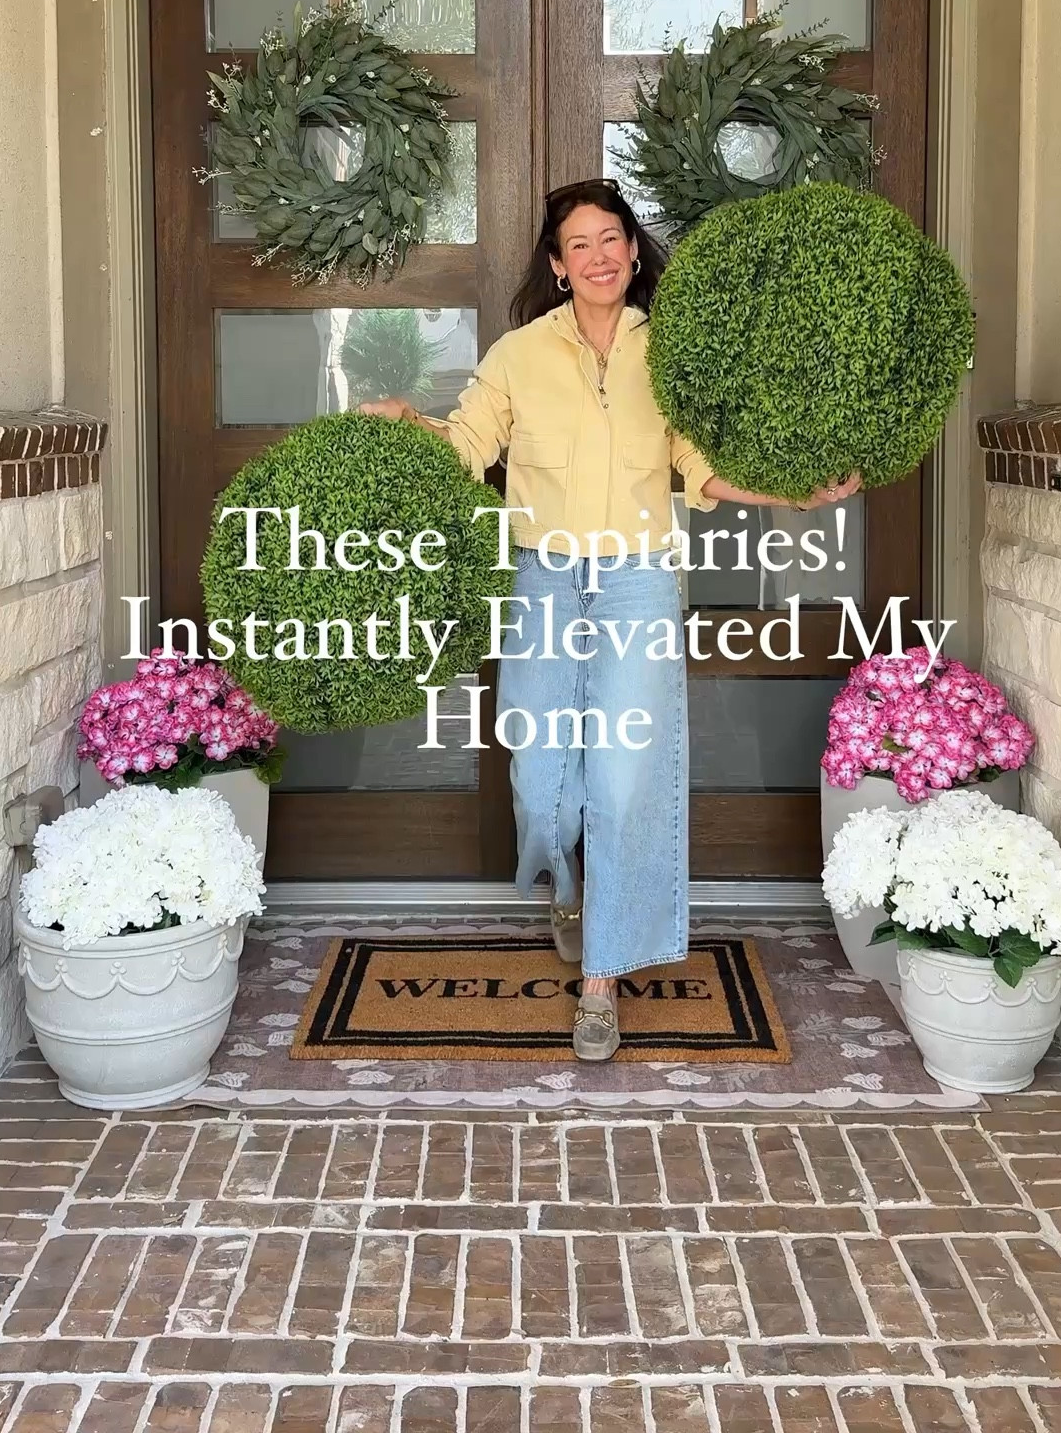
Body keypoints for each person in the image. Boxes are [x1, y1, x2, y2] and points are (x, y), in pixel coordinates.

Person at [361, 178, 860, 1061]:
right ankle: (566, 883)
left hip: (637, 581)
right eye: (578, 245)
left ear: (632, 251)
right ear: (558, 267)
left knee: (628, 781)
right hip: (543, 579)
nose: (597, 256)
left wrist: (795, 493)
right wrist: (408, 426)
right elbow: (467, 448)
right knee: (540, 779)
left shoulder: (669, 353)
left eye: (610, 239)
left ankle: (601, 979)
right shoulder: (518, 354)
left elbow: (699, 468)